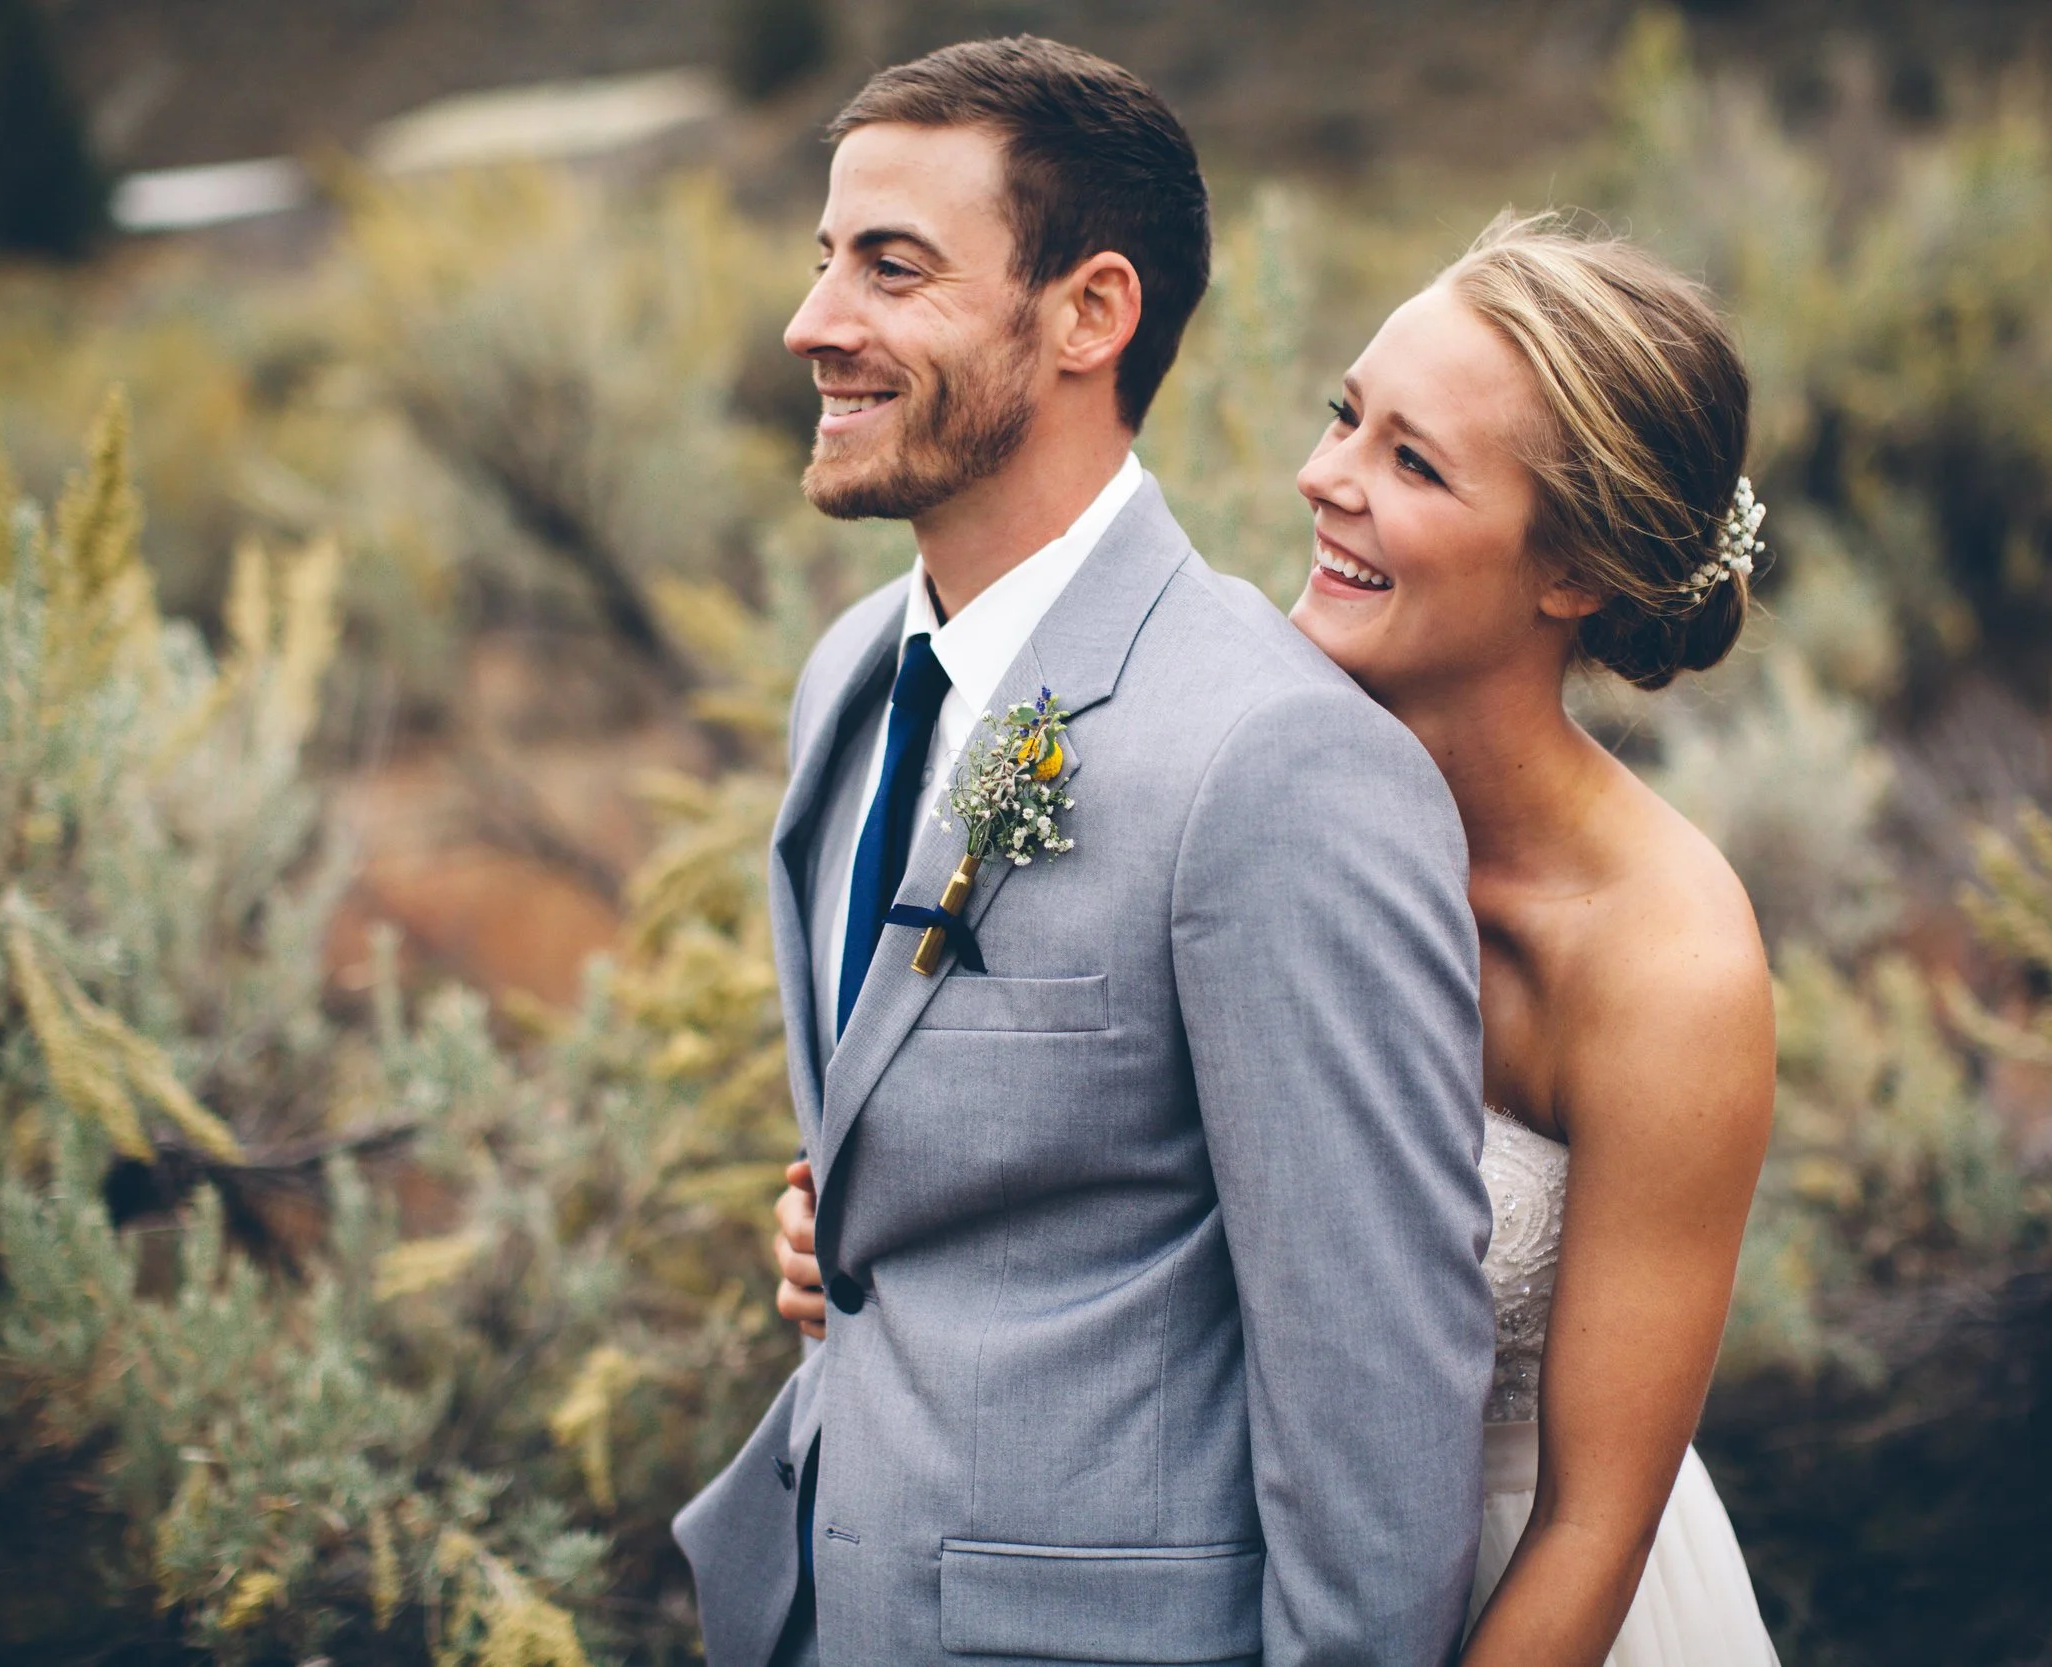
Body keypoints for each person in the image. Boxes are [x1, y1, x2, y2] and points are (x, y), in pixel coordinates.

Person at [774, 210, 1785, 1665]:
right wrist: (866, 1225)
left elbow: (1593, 1525)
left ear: (1569, 570)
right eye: (1345, 418)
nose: (1327, 482)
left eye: (1413, 463)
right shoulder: (1203, 756)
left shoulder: (1662, 962)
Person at [674, 36, 1493, 1667]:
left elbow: (1375, 1413)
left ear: (1089, 315)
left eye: (890, 269)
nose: (813, 322)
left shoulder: (1273, 762)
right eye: (824, 258)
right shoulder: (851, 673)